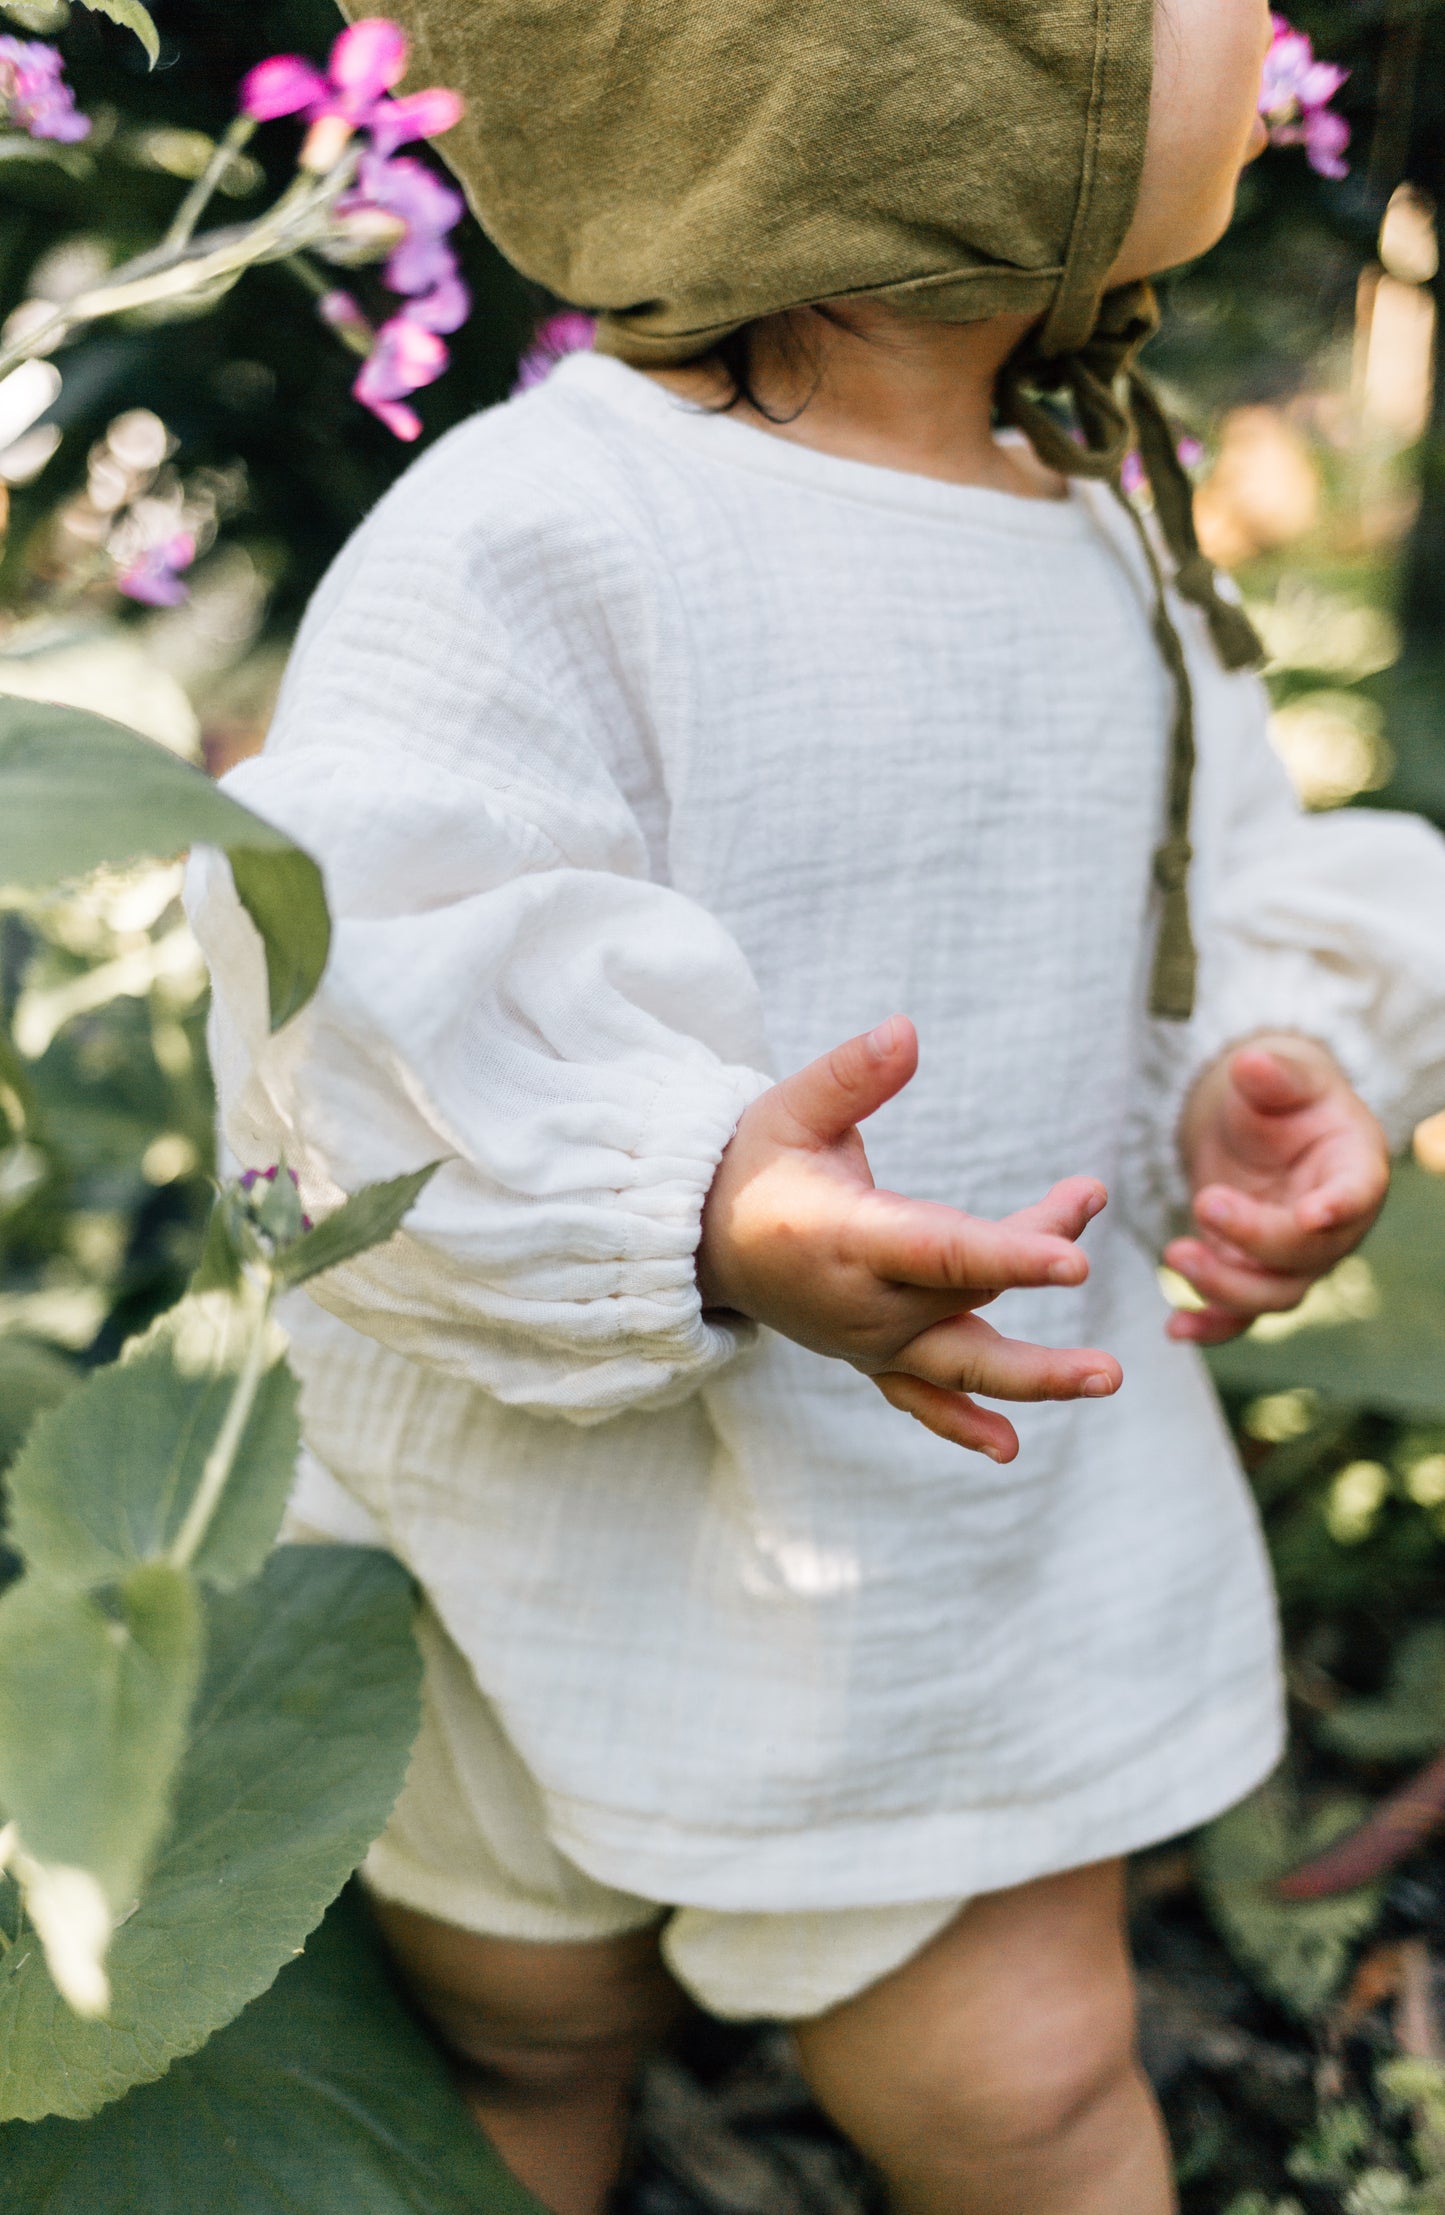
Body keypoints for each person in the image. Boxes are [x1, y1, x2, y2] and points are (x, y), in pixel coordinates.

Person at [188, 1, 1445, 2209]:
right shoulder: (547, 525)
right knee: (514, 2013)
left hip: (927, 1517)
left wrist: (1269, 1074)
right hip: (538, 1492)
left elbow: (1198, 875)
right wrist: (688, 1201)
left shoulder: (1105, 525)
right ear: (902, 75)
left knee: (1028, 2085)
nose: (1264, 21)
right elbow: (363, 965)